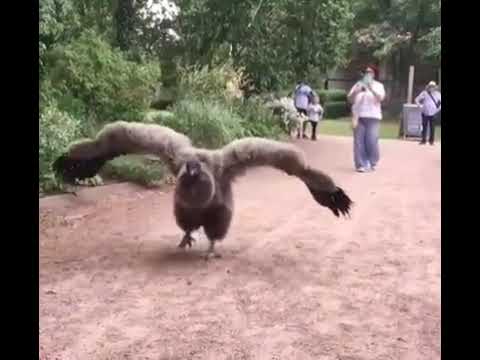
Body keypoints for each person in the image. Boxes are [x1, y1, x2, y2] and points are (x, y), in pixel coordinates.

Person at [348, 65, 386, 172]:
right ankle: (360, 164)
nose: (367, 74)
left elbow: (380, 98)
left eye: (370, 72)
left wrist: (370, 88)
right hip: (358, 116)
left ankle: (372, 161)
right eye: (366, 72)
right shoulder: (358, 84)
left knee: (372, 140)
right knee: (358, 142)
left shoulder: (379, 85)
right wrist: (357, 91)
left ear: (374, 74)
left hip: (373, 117)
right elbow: (350, 99)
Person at [415, 81, 441, 145]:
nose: (431, 88)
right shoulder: (424, 93)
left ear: (435, 87)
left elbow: (440, 103)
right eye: (430, 86)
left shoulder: (438, 94)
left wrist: (437, 110)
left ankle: (431, 141)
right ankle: (423, 140)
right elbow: (417, 99)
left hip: (433, 113)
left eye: (433, 87)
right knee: (424, 127)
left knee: (432, 127)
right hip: (425, 112)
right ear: (428, 87)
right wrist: (419, 105)